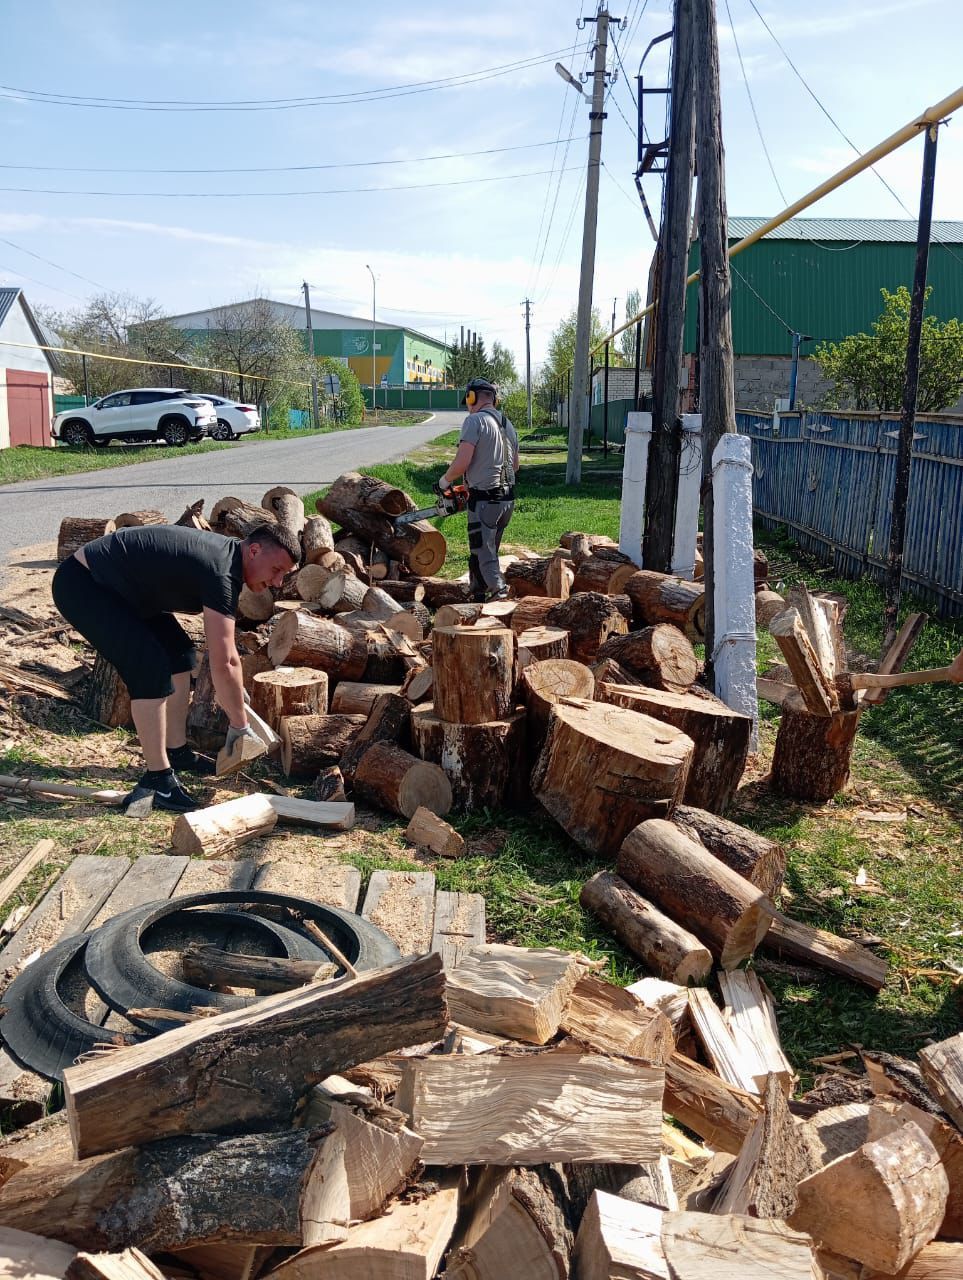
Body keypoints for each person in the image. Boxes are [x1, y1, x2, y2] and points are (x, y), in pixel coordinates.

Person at [51, 521, 300, 814]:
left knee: (179, 655)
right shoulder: (221, 572)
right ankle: (158, 778)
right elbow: (226, 660)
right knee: (149, 669)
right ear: (255, 550)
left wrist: (235, 697)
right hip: (85, 585)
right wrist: (239, 725)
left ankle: (176, 751)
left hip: (125, 591)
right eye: (276, 570)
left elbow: (225, 657)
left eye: (284, 574)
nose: (278, 582)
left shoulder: (227, 562)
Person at [438, 376, 519, 602]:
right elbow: (515, 465)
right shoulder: (507, 423)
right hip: (507, 500)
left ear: (471, 397)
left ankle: (499, 591)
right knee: (486, 548)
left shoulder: (474, 422)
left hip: (486, 500)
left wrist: (445, 481)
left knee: (483, 550)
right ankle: (478, 592)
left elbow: (462, 461)